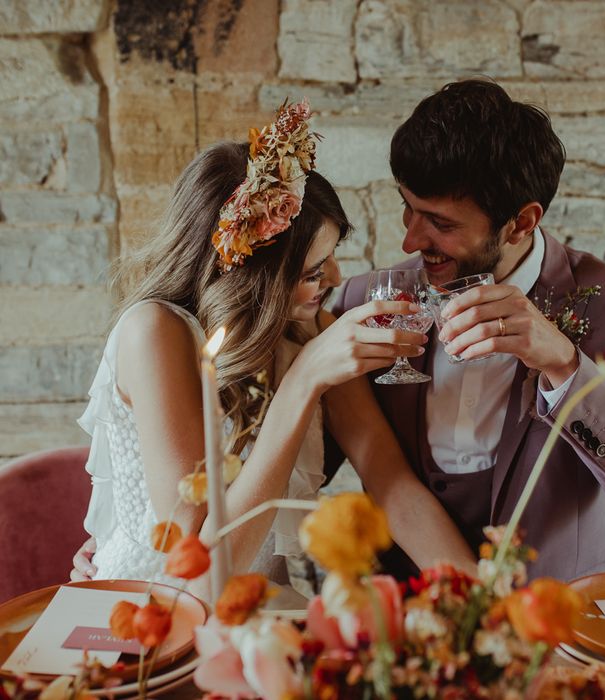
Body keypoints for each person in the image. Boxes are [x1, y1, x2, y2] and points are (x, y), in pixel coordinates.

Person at [71, 101, 475, 599]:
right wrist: (303, 382)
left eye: (329, 259)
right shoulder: (156, 333)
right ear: (248, 280)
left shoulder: (307, 328)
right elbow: (200, 570)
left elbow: (393, 485)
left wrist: (487, 597)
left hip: (265, 611)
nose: (335, 281)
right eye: (311, 273)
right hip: (158, 614)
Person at [332, 79, 605, 582]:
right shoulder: (367, 302)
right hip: (397, 628)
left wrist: (566, 367)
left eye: (440, 222)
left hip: (558, 630)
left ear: (521, 222)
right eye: (408, 206)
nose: (411, 238)